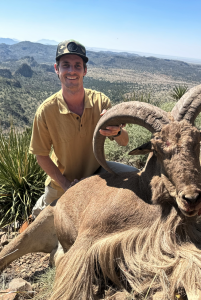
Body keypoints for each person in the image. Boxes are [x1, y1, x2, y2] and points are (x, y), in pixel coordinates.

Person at [29, 39, 137, 218]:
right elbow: (41, 155)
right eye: (66, 65)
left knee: (136, 176)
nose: (72, 71)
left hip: (97, 172)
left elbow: (124, 142)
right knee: (43, 219)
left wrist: (117, 132)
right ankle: (39, 207)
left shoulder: (101, 102)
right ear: (57, 69)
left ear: (85, 70)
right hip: (62, 182)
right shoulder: (46, 111)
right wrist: (65, 185)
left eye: (77, 66)